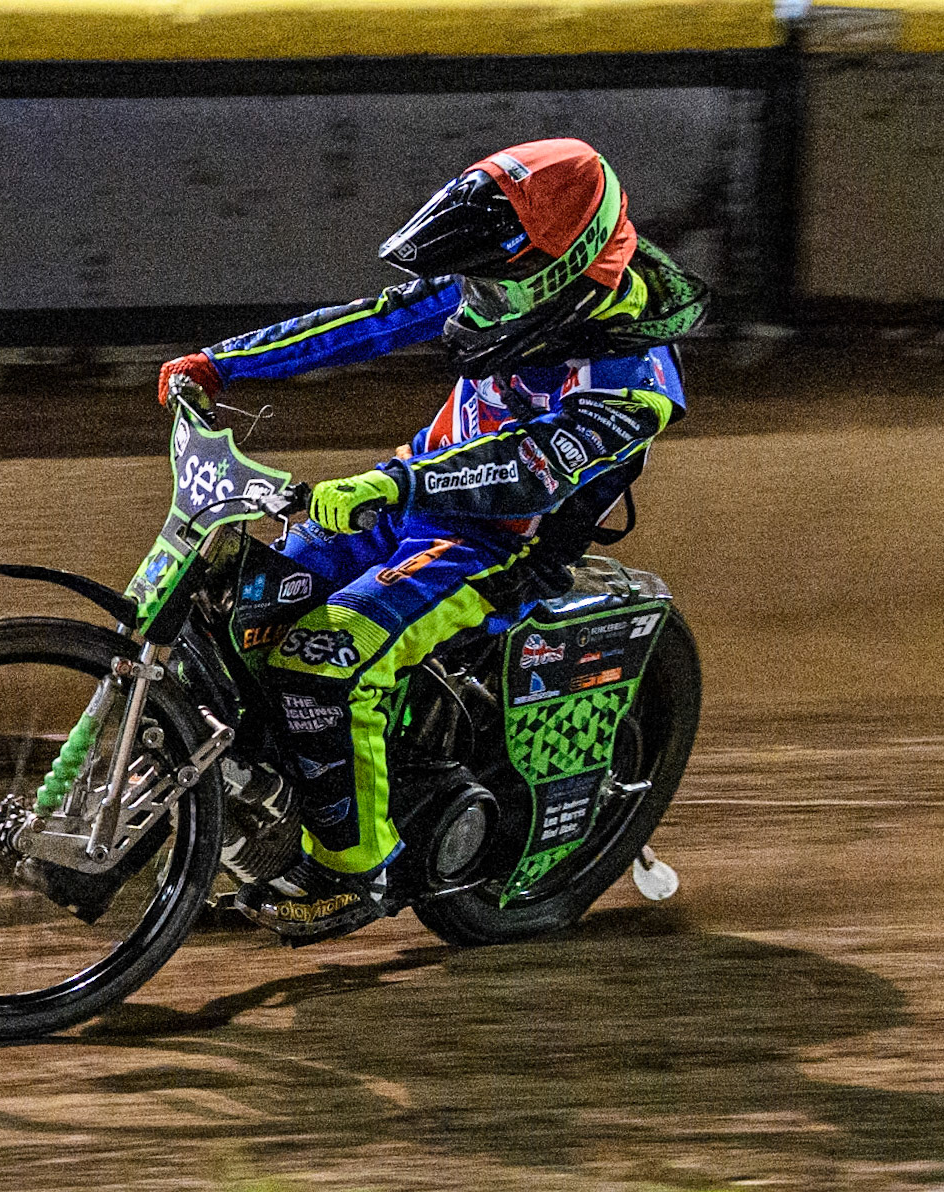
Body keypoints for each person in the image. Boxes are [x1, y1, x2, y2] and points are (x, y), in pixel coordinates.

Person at [157, 138, 707, 937]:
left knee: (322, 661)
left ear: (556, 275)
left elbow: (524, 470)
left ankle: (352, 872)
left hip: (496, 551)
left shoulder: (634, 385)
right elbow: (371, 320)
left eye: (485, 287)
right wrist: (219, 364)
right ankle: (266, 814)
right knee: (244, 613)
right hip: (405, 502)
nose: (466, 302)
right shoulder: (511, 287)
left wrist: (395, 484)